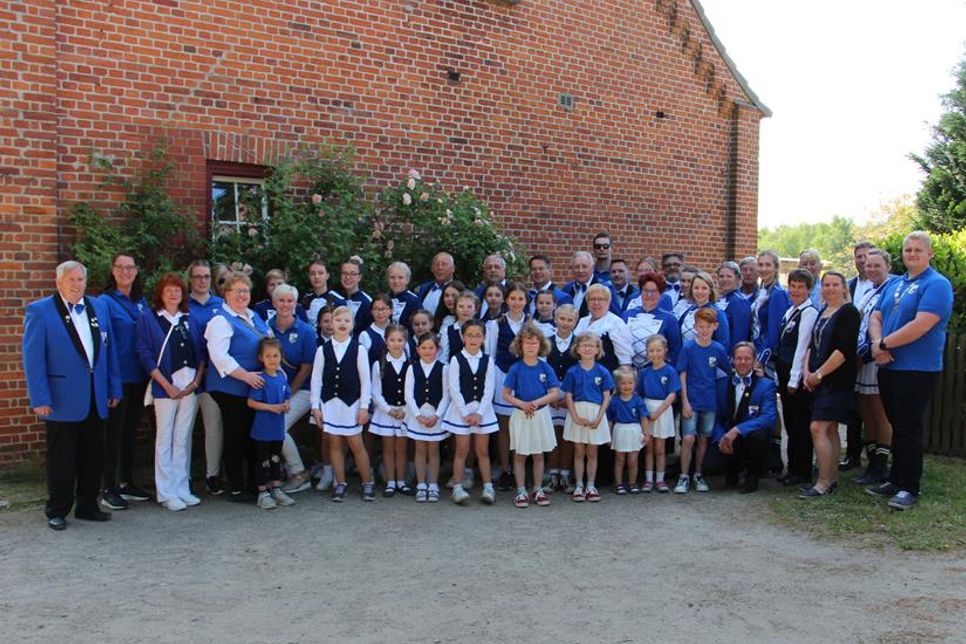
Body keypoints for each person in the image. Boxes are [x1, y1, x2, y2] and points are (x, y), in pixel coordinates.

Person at [24, 261, 122, 530]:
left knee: (94, 455)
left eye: (81, 279)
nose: (77, 284)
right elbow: (34, 360)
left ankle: (88, 505)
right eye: (71, 280)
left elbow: (108, 349)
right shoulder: (40, 311)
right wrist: (40, 398)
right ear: (58, 282)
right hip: (61, 398)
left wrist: (114, 387)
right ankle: (57, 509)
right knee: (62, 458)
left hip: (95, 395)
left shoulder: (99, 306)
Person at [868, 231, 953, 510]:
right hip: (888, 365)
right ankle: (895, 478)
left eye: (918, 250)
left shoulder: (937, 284)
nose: (912, 254)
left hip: (916, 368)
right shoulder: (895, 284)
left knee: (909, 427)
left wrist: (884, 343)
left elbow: (922, 325)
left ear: (929, 254)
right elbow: (876, 315)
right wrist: (877, 344)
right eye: (908, 250)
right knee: (896, 425)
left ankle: (909, 487)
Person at [135, 273, 206, 511]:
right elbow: (144, 353)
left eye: (178, 289)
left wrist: (195, 383)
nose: (174, 293)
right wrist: (165, 385)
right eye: (169, 289)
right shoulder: (150, 318)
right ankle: (165, 492)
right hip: (166, 386)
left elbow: (201, 353)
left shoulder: (190, 318)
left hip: (190, 387)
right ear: (161, 293)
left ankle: (181, 488)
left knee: (182, 438)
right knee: (164, 438)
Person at [204, 271, 271, 501]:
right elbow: (219, 357)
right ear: (226, 294)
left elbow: (269, 342)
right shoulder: (220, 320)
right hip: (230, 388)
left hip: (252, 386)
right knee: (236, 436)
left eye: (246, 291)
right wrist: (246, 376)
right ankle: (235, 487)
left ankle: (255, 483)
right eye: (238, 291)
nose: (243, 295)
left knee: (252, 436)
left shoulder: (253, 316)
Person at [799, 272, 861, 499]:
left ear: (844, 288)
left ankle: (823, 482)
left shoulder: (849, 313)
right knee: (830, 428)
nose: (830, 288)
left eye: (835, 284)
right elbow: (810, 346)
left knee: (818, 427)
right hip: (816, 379)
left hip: (835, 381)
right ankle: (831, 477)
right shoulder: (823, 311)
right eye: (826, 285)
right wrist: (807, 371)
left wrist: (819, 374)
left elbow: (843, 351)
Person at [99, 252, 151, 510]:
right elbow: (104, 345)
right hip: (117, 379)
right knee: (113, 435)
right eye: (120, 267)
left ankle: (126, 482)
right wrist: (111, 383)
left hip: (139, 377)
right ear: (112, 271)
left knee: (131, 433)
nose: (125, 272)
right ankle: (108, 487)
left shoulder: (141, 301)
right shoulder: (105, 302)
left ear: (136, 271)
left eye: (130, 267)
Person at [309, 306, 375, 502]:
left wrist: (364, 406)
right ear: (331, 324)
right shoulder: (323, 350)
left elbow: (366, 380)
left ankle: (367, 482)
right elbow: (316, 379)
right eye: (338, 321)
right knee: (334, 444)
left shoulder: (358, 349)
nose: (342, 324)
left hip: (351, 405)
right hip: (330, 403)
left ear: (352, 324)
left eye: (347, 321)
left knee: (356, 444)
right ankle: (340, 482)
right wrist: (315, 406)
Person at [852, 249, 898, 485]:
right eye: (868, 265)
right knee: (865, 410)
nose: (871, 269)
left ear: (887, 265)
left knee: (879, 412)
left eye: (876, 265)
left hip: (876, 358)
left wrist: (871, 351)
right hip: (861, 357)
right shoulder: (868, 290)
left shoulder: (892, 288)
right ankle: (871, 463)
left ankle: (881, 465)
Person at [502, 323, 560, 508]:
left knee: (538, 454)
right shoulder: (516, 368)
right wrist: (523, 404)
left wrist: (536, 403)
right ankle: (521, 491)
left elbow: (554, 393)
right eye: (527, 343)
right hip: (521, 415)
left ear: (540, 345)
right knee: (519, 454)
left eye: (534, 343)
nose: (530, 346)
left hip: (540, 416)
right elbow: (506, 394)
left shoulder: (545, 368)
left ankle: (538, 489)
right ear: (520, 345)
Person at [267, 284, 317, 495]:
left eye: (290, 301)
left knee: (278, 425)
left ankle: (299, 473)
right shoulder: (265, 327)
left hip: (302, 390)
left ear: (296, 304)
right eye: (281, 300)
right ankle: (274, 472)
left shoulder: (305, 330)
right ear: (274, 302)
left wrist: (287, 393)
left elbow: (306, 368)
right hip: (271, 391)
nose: (285, 305)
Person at [675, 307, 729, 494]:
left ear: (715, 327)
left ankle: (698, 473)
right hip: (692, 400)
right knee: (688, 438)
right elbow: (682, 374)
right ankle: (683, 476)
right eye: (700, 326)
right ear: (695, 326)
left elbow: (726, 372)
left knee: (703, 438)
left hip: (709, 401)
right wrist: (685, 401)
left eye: (708, 326)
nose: (704, 330)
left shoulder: (718, 349)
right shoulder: (688, 347)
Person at [444, 319, 498, 505]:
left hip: (482, 411)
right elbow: (454, 388)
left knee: (482, 451)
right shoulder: (456, 359)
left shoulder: (487, 359)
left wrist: (480, 412)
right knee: (461, 450)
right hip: (462, 411)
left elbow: (489, 388)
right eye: (470, 335)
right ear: (462, 337)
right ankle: (457, 486)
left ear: (483, 338)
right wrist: (466, 412)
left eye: (478, 335)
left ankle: (488, 486)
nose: (473, 339)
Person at [713, 341, 779, 493]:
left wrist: (738, 430)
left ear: (755, 361)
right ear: (733, 360)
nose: (742, 362)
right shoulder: (722, 384)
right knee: (711, 466)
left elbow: (768, 417)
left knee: (759, 436)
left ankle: (752, 477)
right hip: (727, 438)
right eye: (739, 358)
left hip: (750, 436)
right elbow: (715, 416)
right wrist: (720, 438)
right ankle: (732, 471)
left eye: (747, 358)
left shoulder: (766, 385)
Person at [773, 269, 818, 487]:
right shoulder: (791, 309)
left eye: (801, 287)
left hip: (796, 378)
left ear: (809, 289)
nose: (796, 290)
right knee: (791, 424)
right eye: (793, 286)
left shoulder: (808, 312)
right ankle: (792, 467)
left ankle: (802, 470)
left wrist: (793, 379)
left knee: (800, 425)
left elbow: (802, 347)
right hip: (783, 374)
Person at [186, 259, 227, 496]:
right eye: (197, 276)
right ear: (190, 279)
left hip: (213, 375)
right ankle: (185, 476)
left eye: (205, 277)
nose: (202, 281)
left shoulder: (221, 305)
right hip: (186, 374)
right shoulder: (182, 304)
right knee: (185, 428)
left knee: (213, 427)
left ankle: (212, 475)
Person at [486, 282, 530, 490]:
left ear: (526, 301)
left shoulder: (531, 325)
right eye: (513, 298)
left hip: (523, 379)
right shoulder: (495, 325)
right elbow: (491, 355)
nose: (516, 302)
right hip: (502, 376)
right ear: (506, 300)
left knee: (520, 427)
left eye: (521, 299)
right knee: (504, 427)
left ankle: (518, 465)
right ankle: (505, 469)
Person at [562, 332, 614, 503]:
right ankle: (578, 485)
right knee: (578, 452)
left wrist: (600, 417)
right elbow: (568, 395)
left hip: (595, 413)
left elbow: (607, 395)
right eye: (584, 345)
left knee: (592, 452)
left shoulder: (603, 371)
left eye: (591, 346)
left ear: (597, 349)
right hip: (577, 412)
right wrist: (575, 416)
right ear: (577, 348)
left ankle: (591, 485)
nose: (587, 348)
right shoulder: (572, 371)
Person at [247, 338, 296, 510]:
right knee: (262, 461)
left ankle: (276, 488)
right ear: (261, 358)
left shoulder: (282, 376)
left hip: (277, 429)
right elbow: (251, 402)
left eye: (275, 355)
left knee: (275, 459)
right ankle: (262, 492)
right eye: (268, 356)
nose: (272, 359)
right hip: (262, 430)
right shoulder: (260, 379)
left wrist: (287, 403)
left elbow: (287, 394)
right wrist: (271, 407)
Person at [840, 242, 876, 471]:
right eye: (858, 256)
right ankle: (852, 454)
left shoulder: (882, 285)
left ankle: (876, 457)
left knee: (872, 409)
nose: (861, 260)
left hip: (870, 355)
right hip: (848, 353)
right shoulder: (849, 285)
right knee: (852, 406)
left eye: (866, 257)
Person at [405, 331, 450, 502]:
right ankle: (421, 483)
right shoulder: (412, 368)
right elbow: (408, 393)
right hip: (418, 415)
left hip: (435, 416)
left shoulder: (443, 368)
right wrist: (417, 415)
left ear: (437, 350)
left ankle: (433, 484)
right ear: (417, 349)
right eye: (424, 348)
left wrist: (437, 415)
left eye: (431, 348)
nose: (427, 351)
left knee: (433, 450)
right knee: (420, 449)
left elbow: (447, 394)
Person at [371, 325, 412, 497]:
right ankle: (390, 481)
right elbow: (375, 392)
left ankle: (401, 481)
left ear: (405, 342)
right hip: (386, 414)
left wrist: (404, 409)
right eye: (392, 340)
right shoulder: (378, 364)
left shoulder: (410, 364)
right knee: (388, 448)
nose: (396, 344)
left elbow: (412, 390)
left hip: (404, 412)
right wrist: (388, 409)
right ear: (386, 342)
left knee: (402, 449)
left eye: (400, 340)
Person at [637, 334, 679, 493]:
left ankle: (660, 479)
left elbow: (672, 395)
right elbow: (639, 394)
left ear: (665, 351)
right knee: (649, 448)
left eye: (658, 350)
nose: (655, 354)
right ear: (647, 352)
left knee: (660, 449)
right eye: (651, 351)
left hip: (663, 409)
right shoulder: (644, 372)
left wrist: (658, 412)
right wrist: (645, 413)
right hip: (647, 409)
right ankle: (648, 479)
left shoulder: (670, 371)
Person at [546, 304, 578, 493]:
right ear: (555, 319)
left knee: (568, 435)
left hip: (570, 394)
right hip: (550, 392)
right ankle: (553, 474)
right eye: (562, 319)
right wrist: (550, 396)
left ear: (575, 322)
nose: (565, 323)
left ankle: (565, 475)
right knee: (552, 435)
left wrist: (566, 398)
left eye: (570, 320)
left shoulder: (578, 343)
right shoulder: (546, 342)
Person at [624, 272, 682, 368]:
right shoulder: (626, 315)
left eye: (654, 291)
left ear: (660, 293)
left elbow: (675, 351)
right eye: (645, 291)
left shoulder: (669, 319)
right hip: (630, 374)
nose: (649, 295)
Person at [608, 366, 649, 495]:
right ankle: (619, 484)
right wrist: (608, 436)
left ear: (635, 384)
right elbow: (609, 421)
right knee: (619, 459)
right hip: (619, 430)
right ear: (617, 384)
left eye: (630, 383)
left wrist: (646, 434)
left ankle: (632, 483)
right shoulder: (613, 401)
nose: (627, 386)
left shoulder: (638, 400)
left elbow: (643, 418)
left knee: (633, 460)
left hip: (634, 431)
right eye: (623, 383)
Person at [574, 283, 633, 372]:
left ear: (608, 302)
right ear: (587, 302)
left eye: (600, 299)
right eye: (592, 299)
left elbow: (625, 359)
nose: (596, 303)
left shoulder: (616, 323)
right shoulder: (583, 321)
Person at [751, 249, 791, 376]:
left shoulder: (778, 293)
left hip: (766, 358)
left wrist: (761, 359)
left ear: (776, 268)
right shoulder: (760, 291)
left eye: (768, 265)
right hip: (754, 350)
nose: (763, 269)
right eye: (760, 264)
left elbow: (775, 332)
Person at [678, 270, 730, 349]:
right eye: (696, 288)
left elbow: (723, 344)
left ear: (710, 290)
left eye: (704, 288)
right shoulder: (687, 312)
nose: (699, 292)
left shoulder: (718, 314)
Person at [716, 261, 753, 349]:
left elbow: (739, 335)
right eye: (721, 276)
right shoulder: (722, 299)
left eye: (729, 276)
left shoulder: (739, 301)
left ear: (737, 279)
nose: (724, 279)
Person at [330, 259, 372, 332]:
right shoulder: (333, 297)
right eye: (344, 273)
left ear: (359, 277)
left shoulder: (367, 302)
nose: (348, 277)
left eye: (353, 274)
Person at [439, 290, 479, 364]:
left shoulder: (483, 329)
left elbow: (488, 355)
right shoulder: (447, 331)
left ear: (476, 310)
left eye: (469, 307)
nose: (465, 310)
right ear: (456, 309)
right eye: (461, 306)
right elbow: (443, 358)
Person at [416, 252, 455, 316]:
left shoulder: (459, 291)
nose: (440, 268)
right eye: (436, 264)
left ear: (453, 268)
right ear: (432, 268)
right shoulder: (422, 289)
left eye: (444, 264)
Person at [562, 251, 599, 316]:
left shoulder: (602, 288)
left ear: (592, 268)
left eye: (584, 267)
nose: (580, 270)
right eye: (577, 267)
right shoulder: (567, 288)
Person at [386, 261, 422, 327]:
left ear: (407, 280)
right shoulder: (384, 299)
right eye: (392, 277)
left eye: (400, 277)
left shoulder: (414, 301)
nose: (396, 281)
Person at [302, 259, 335, 326]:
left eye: (320, 273)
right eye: (312, 273)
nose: (316, 277)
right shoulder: (303, 299)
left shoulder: (338, 300)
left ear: (327, 275)